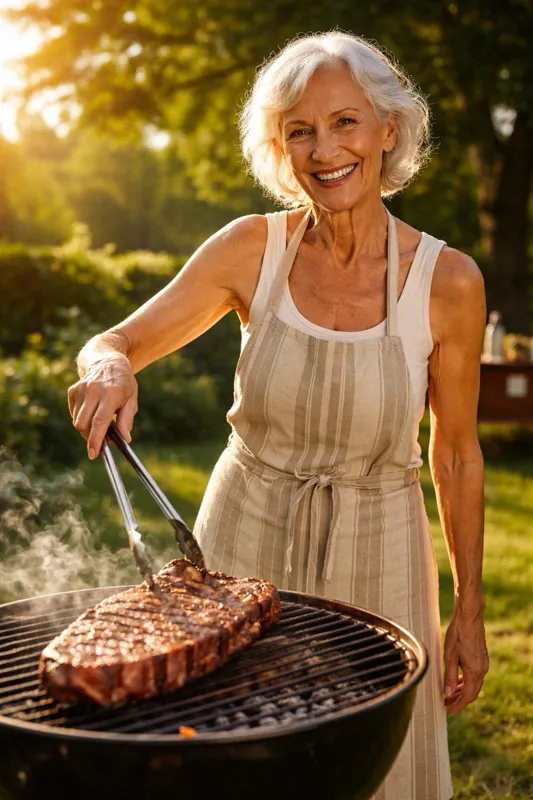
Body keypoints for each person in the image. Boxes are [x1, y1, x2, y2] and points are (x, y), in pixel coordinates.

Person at [68, 31, 489, 800]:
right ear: (279, 147)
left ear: (387, 129)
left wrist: (466, 613)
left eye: (344, 122)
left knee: (369, 767)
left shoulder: (448, 282)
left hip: (380, 551)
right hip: (239, 542)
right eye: (299, 130)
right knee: (226, 761)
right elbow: (116, 339)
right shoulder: (248, 251)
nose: (324, 149)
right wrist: (107, 364)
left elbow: (456, 455)